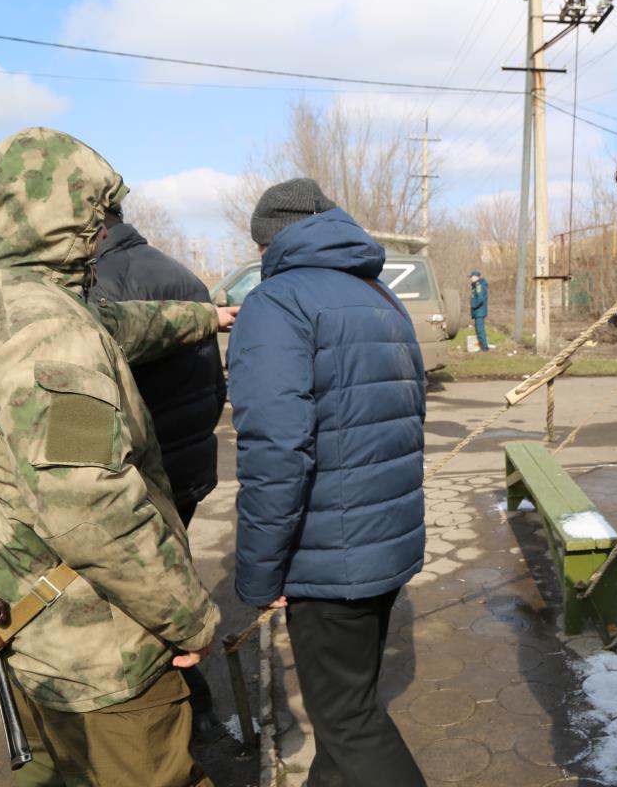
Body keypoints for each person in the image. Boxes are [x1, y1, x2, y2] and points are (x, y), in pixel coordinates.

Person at [0, 127, 237, 787]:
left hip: (35, 625)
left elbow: (117, 326)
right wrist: (189, 617)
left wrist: (208, 318)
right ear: (64, 217)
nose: (101, 231)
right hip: (104, 649)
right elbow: (91, 502)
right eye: (93, 214)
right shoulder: (52, 335)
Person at [228, 178, 427, 787]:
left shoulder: (277, 303)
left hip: (329, 560)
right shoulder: (379, 295)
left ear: (267, 243)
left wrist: (260, 575)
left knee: (350, 722)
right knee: (350, 709)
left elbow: (277, 451)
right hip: (384, 543)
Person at [88, 202, 227, 742]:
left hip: (145, 473)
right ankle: (198, 707)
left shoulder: (99, 283)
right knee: (172, 571)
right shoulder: (181, 273)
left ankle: (182, 714)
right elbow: (213, 383)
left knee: (144, 594)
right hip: (188, 461)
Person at [469, 269, 489, 350]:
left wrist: (473, 305)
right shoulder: (476, 285)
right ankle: (483, 346)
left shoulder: (478, 286)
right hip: (478, 311)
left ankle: (484, 347)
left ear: (476, 277)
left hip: (479, 311)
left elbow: (480, 299)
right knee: (479, 329)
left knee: (480, 329)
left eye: (471, 277)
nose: (470, 278)